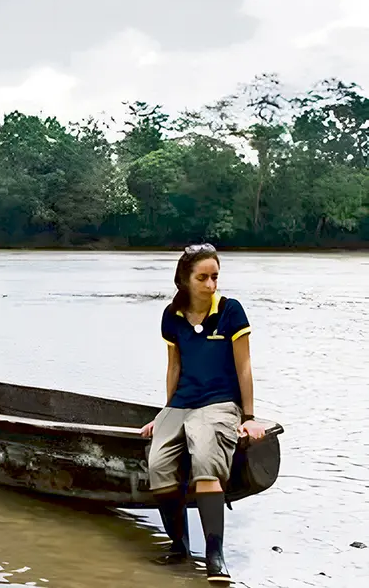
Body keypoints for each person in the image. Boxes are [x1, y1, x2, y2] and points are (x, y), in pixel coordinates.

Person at [140, 243, 266, 584]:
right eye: (202, 277)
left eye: (214, 277)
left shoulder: (231, 311)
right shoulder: (171, 315)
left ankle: (215, 556)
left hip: (219, 404)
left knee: (207, 464)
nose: (210, 285)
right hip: (181, 404)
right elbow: (174, 367)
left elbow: (244, 367)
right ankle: (179, 547)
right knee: (158, 467)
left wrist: (249, 416)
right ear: (184, 279)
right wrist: (165, 413)